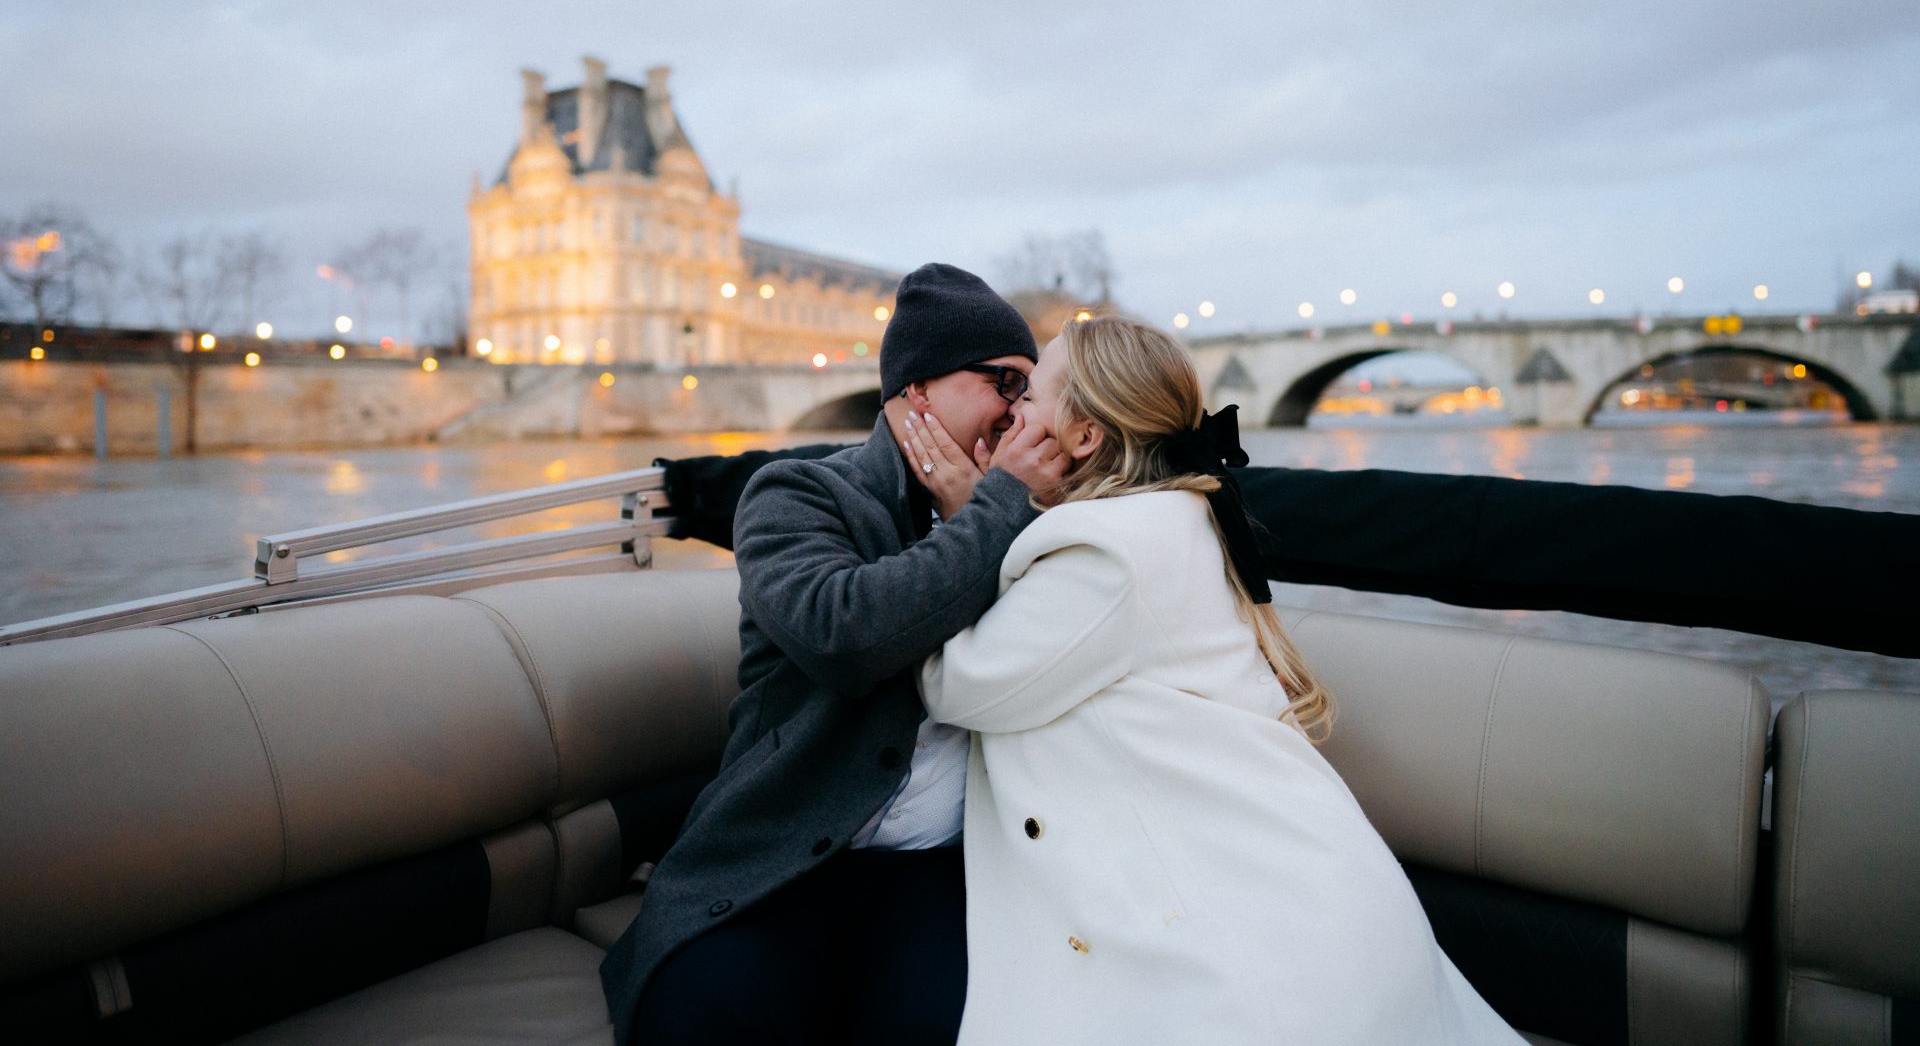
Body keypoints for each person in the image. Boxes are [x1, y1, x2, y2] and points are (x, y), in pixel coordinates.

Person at [917, 314, 1524, 1044]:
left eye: (1033, 395)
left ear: (1084, 437)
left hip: (1249, 955)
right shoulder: (1176, 512)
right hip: (1302, 906)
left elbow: (956, 685)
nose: (1015, 411)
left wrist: (974, 517)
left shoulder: (1101, 552)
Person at [600, 262, 1069, 1046]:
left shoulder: (1036, 514)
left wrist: (996, 513)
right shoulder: (798, 494)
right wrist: (990, 517)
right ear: (918, 389)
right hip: (782, 853)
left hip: (946, 868)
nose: (1022, 412)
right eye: (1005, 382)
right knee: (704, 1020)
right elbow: (843, 636)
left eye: (1030, 389)